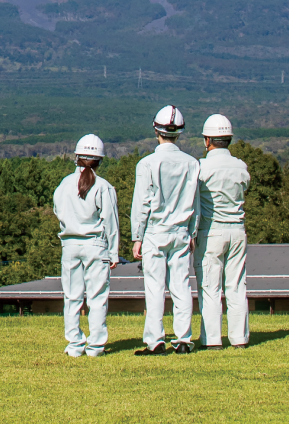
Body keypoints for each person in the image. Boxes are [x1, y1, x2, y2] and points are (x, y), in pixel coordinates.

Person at [131, 106, 200, 355]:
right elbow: (196, 202)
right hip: (181, 231)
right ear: (179, 133)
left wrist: (136, 237)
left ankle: (155, 340)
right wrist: (192, 232)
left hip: (155, 232)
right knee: (181, 286)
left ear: (156, 131)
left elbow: (142, 204)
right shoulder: (192, 164)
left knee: (155, 287)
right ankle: (183, 339)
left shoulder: (147, 163)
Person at [52, 135, 120, 357]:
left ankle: (74, 344)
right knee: (97, 296)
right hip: (95, 244)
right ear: (100, 160)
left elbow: (57, 211)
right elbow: (111, 222)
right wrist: (114, 252)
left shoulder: (63, 184)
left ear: (76, 157)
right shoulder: (103, 187)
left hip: (70, 243)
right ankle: (95, 346)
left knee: (72, 296)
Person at [195, 114, 251, 349]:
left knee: (210, 287)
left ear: (207, 140)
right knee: (237, 286)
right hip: (237, 230)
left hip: (212, 231)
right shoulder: (240, 166)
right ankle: (239, 338)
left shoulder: (201, 166)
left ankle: (212, 339)